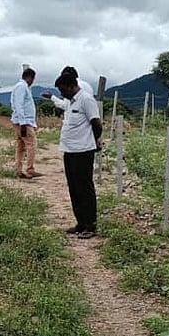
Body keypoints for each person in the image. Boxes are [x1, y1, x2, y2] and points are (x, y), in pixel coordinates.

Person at [46, 72, 102, 238]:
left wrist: (94, 141)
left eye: (63, 90)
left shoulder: (86, 100)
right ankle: (80, 223)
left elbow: (97, 124)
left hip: (83, 151)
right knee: (74, 188)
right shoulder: (70, 102)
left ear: (72, 86)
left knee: (84, 189)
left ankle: (90, 226)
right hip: (69, 151)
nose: (62, 94)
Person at [9, 67, 40, 179]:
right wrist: (23, 123)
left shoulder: (21, 87)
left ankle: (18, 170)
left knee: (21, 146)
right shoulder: (22, 87)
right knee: (31, 144)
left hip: (22, 121)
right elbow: (19, 105)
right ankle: (30, 169)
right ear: (30, 77)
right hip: (23, 122)